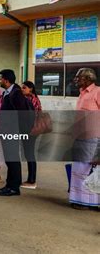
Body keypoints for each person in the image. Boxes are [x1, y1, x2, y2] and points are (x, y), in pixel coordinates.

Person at [0, 69, 34, 196]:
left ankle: (14, 187)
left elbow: (21, 114)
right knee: (9, 159)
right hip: (7, 131)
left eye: (1, 79)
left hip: (12, 131)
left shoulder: (16, 93)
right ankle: (9, 184)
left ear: (6, 80)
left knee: (13, 159)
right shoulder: (8, 92)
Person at [70, 68, 99, 210]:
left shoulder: (97, 92)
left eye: (79, 77)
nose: (76, 80)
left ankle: (93, 202)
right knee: (79, 170)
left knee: (91, 170)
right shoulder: (81, 94)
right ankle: (80, 200)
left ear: (88, 79)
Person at [20, 81, 42, 189]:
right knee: (28, 154)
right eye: (21, 87)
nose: (22, 89)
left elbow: (31, 117)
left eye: (24, 88)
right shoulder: (28, 99)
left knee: (30, 154)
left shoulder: (32, 100)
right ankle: (30, 179)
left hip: (31, 130)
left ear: (31, 89)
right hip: (28, 130)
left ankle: (32, 180)